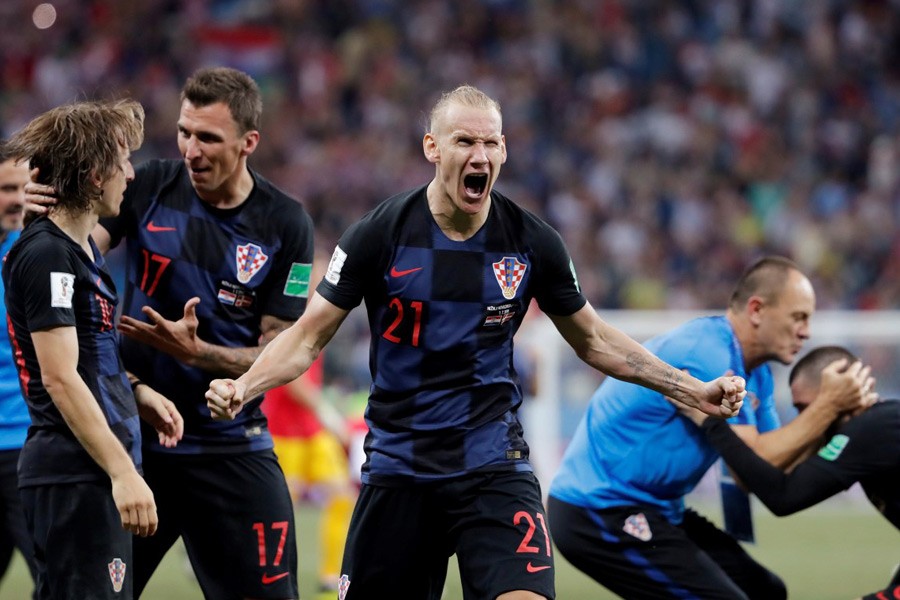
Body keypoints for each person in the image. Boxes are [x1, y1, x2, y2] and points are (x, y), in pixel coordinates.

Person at [206, 84, 746, 600]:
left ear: (504, 150)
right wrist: (246, 385)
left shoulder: (533, 242)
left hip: (493, 463)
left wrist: (689, 388)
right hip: (401, 466)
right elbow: (306, 338)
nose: (479, 154)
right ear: (432, 148)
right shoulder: (379, 234)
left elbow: (595, 340)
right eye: (465, 141)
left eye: (491, 142)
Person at [26, 67, 314, 599]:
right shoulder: (153, 185)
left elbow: (282, 347)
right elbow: (79, 250)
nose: (191, 149)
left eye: (208, 137)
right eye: (185, 132)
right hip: (138, 444)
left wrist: (199, 352)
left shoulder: (286, 223)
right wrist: (45, 212)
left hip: (230, 446)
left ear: (249, 142)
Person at [548, 256, 871, 600]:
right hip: (599, 509)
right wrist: (827, 407)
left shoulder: (756, 371)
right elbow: (758, 454)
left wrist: (836, 422)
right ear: (757, 310)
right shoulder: (708, 352)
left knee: (766, 591)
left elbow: (760, 470)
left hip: (657, 509)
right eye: (798, 317)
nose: (806, 331)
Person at [3, 100, 183, 599]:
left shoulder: (82, 251)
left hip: (91, 468)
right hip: (73, 472)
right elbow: (59, 377)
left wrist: (136, 391)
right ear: (93, 173)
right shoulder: (46, 255)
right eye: (122, 161)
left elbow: (88, 360)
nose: (131, 174)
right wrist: (123, 472)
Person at [683, 345, 898, 600]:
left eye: (805, 408)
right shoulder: (880, 425)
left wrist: (709, 422)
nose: (804, 420)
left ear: (837, 393)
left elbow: (784, 496)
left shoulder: (871, 429)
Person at [262, 354, 355, 599]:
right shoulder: (288, 318)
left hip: (313, 432)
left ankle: (331, 576)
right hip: (283, 434)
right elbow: (292, 378)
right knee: (275, 512)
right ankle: (267, 577)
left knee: (343, 497)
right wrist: (327, 412)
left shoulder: (317, 316)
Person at [0, 143, 37, 597]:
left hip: (27, 447)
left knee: (54, 579)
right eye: (7, 189)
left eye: (25, 189)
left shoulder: (36, 254)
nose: (18, 200)